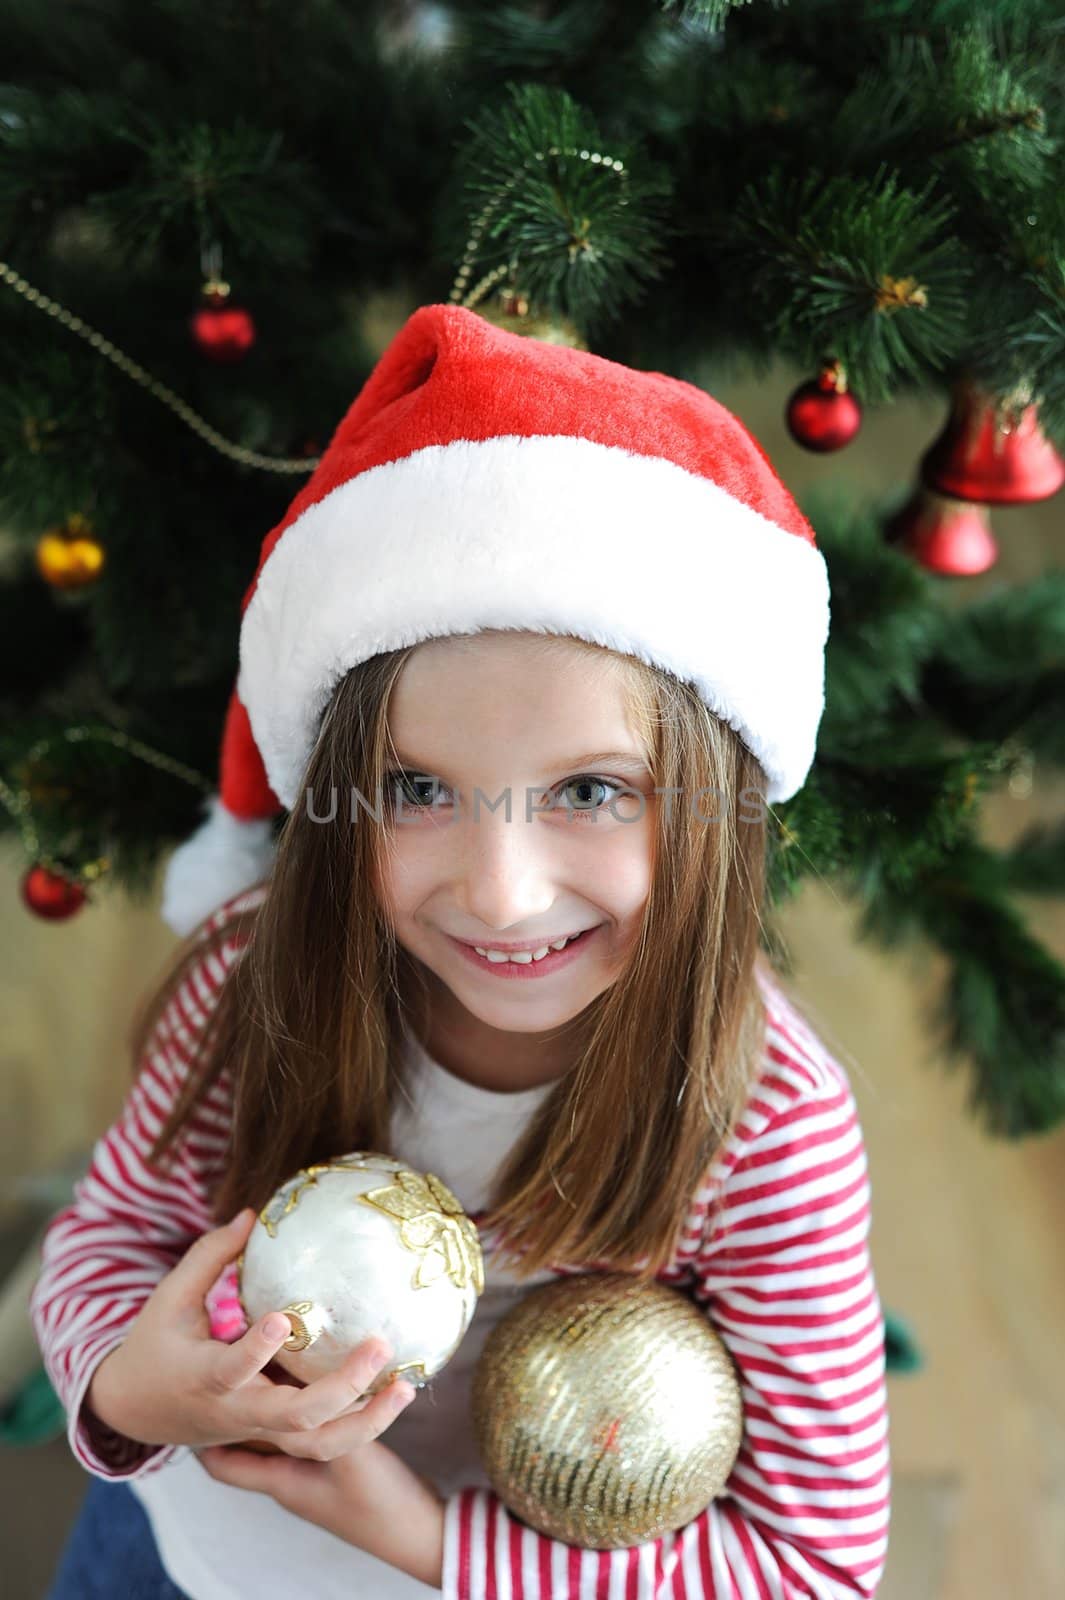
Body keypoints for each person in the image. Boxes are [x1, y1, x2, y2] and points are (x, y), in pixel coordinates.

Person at [31, 302, 891, 1598]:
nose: (498, 895)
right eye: (416, 790)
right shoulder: (252, 980)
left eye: (592, 791)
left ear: (713, 810)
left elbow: (809, 1562)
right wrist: (130, 1386)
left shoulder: (763, 1117)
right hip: (176, 1562)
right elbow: (114, 1235)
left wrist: (418, 1538)